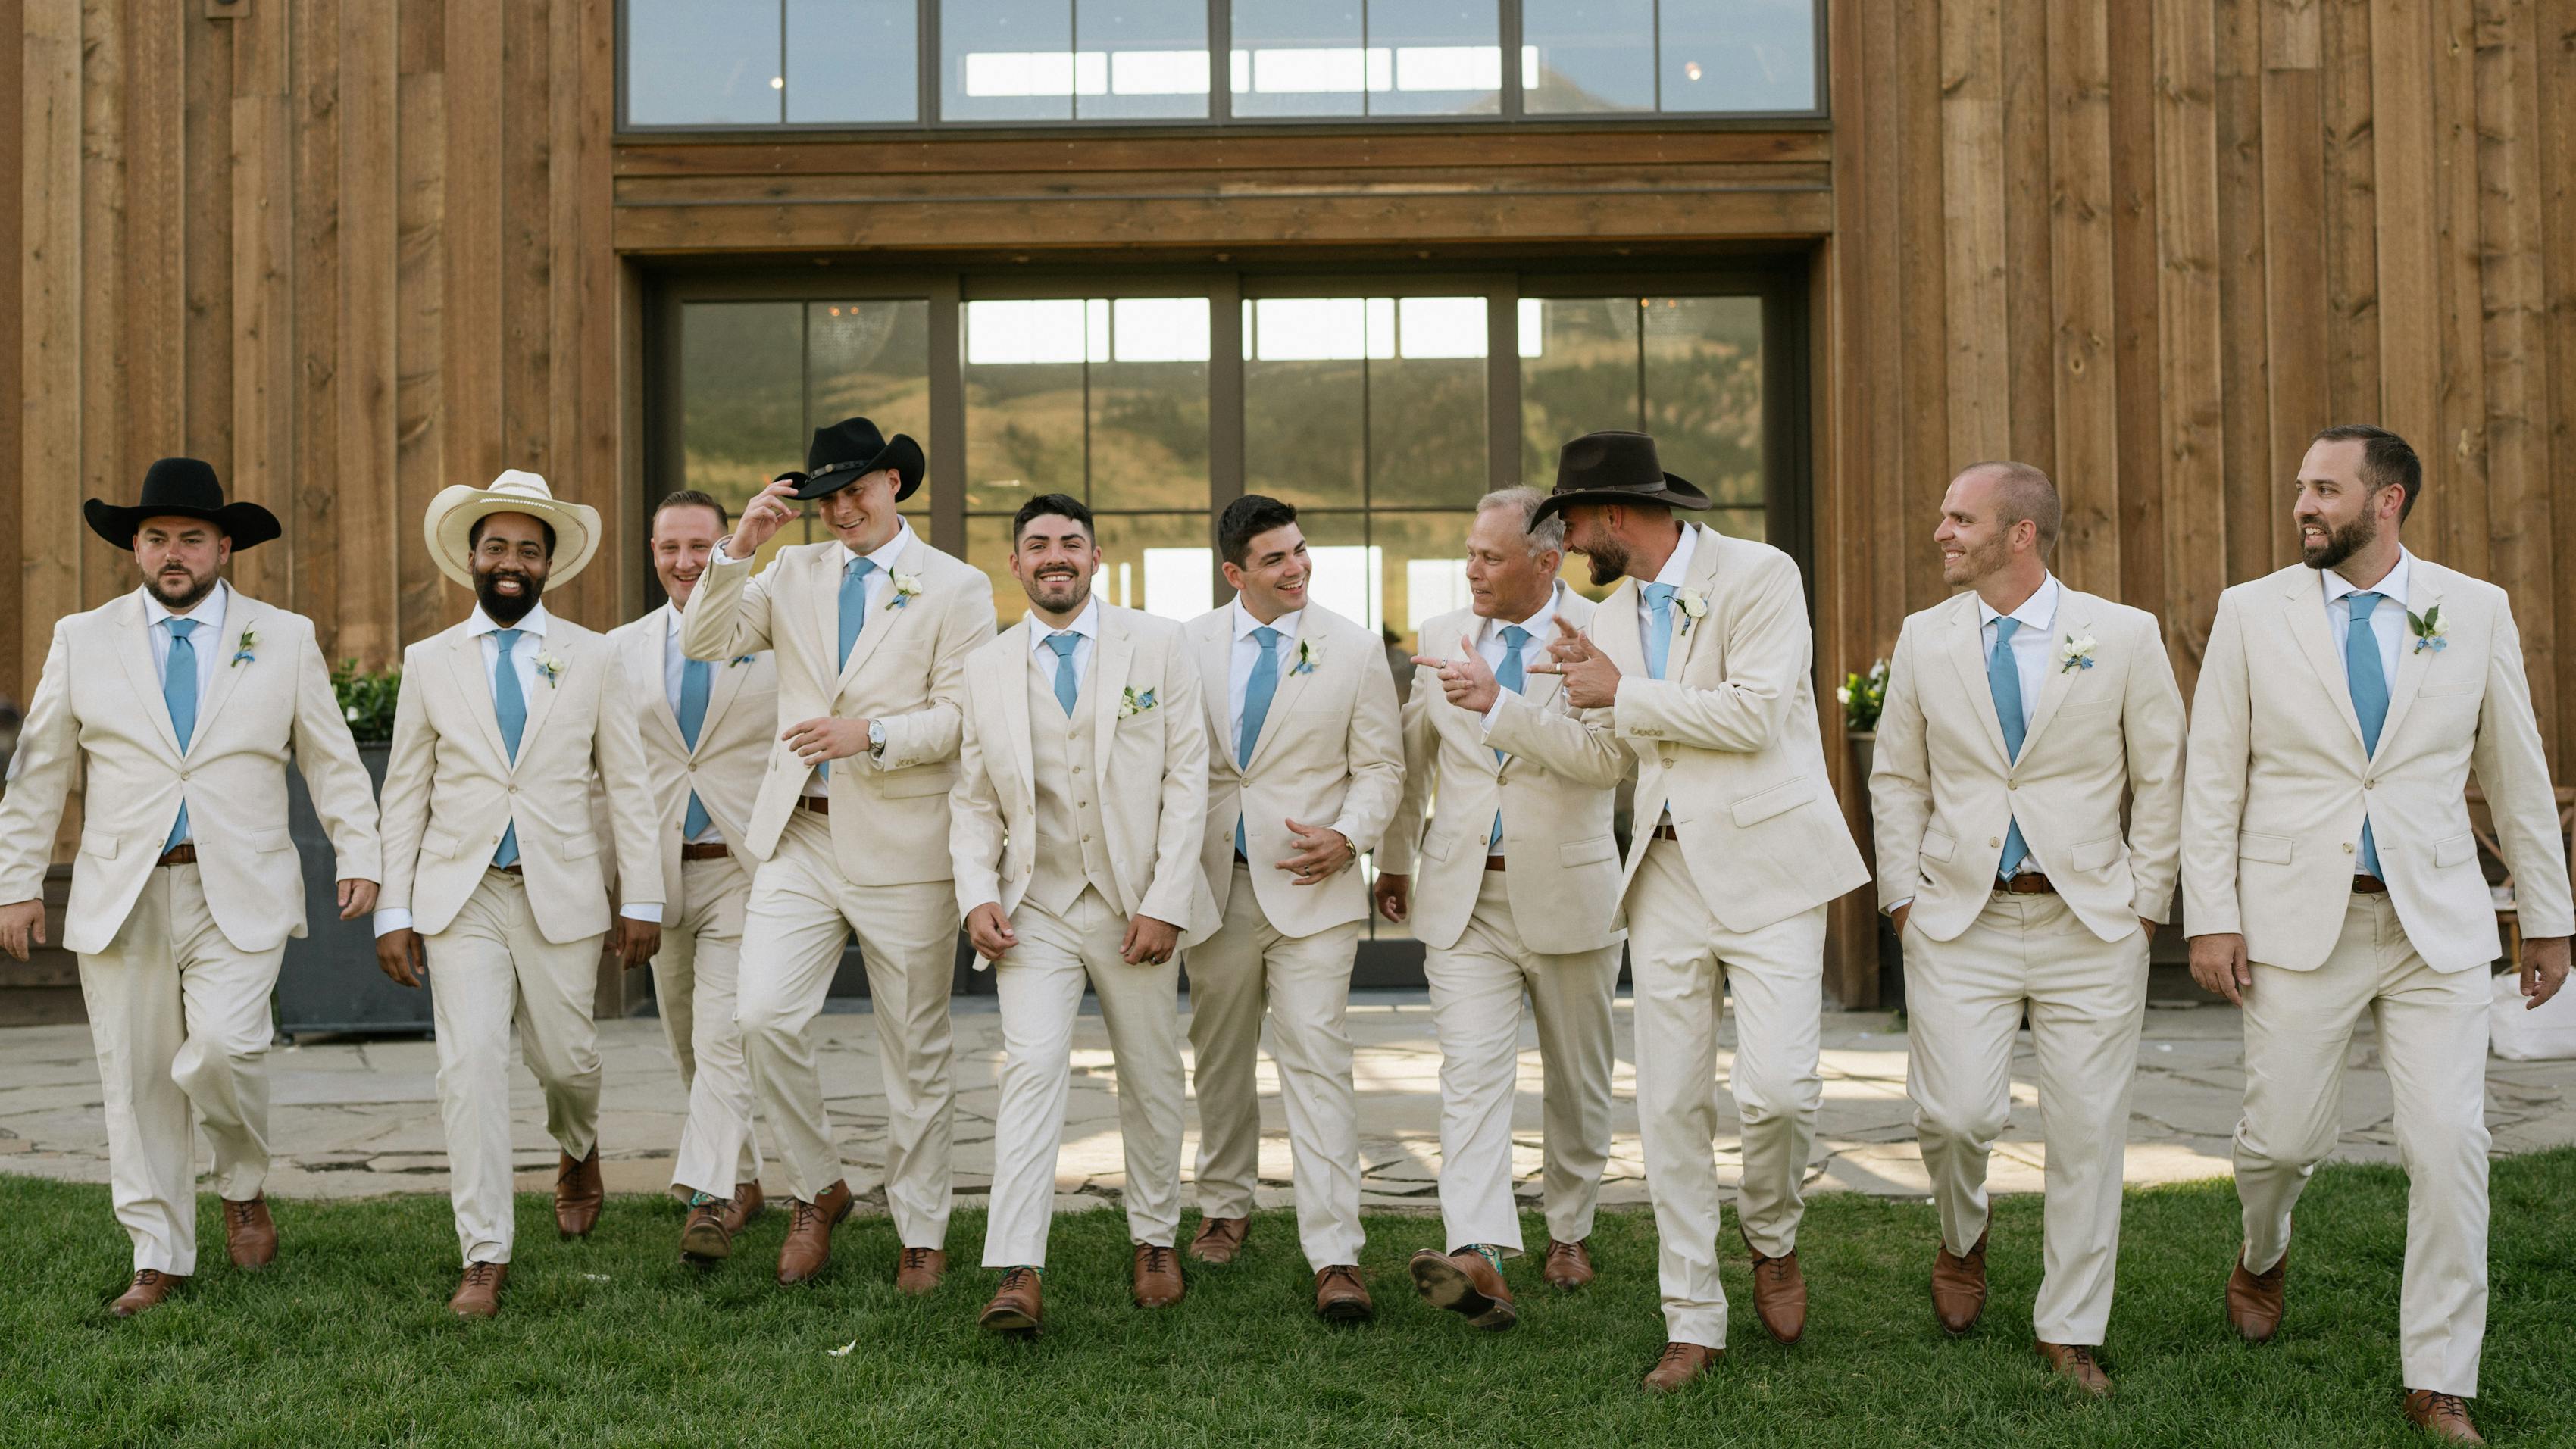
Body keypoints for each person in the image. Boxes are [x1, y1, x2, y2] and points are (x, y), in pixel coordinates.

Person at [2184, 424, 2571, 1445]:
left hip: (2435, 921)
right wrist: (2212, 913)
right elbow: (2214, 775)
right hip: (2295, 922)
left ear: (2387, 500)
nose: (2305, 506)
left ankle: (2440, 1376)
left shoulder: (2473, 611)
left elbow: (2517, 772)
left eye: (2325, 489)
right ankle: (2264, 1246)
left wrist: (2547, 915)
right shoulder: (2250, 613)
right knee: (2283, 1141)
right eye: (2302, 488)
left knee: (2451, 1142)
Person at [1508, 429, 1868, 1391]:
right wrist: (1502, 710)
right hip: (1662, 878)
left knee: (1780, 1092)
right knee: (1667, 1105)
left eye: (1576, 522)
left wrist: (1625, 691)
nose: (1571, 543)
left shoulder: (1760, 575)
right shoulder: (1607, 614)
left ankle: (1772, 1232)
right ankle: (1691, 1318)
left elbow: (1756, 714)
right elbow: (1604, 757)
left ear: (1618, 515)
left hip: (1770, 869)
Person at [0, 458, 381, 1317]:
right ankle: (158, 1254)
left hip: (236, 885)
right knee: (135, 1080)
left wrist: (361, 849)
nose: (174, 553)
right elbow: (38, 771)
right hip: (123, 890)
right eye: (158, 538)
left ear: (225, 546)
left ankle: (241, 1180)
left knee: (222, 1049)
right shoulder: (80, 636)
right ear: (135, 545)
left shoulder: (282, 637)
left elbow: (330, 755)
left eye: (192, 538)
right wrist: (15, 881)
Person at [1867, 461, 2186, 1396]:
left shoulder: (2122, 636)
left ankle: (2071, 1324)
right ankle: (1962, 1233)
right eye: (1942, 514)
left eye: (1960, 518)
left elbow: (2162, 771)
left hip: (2091, 918)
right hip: (1956, 914)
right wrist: (1903, 898)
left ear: (2021, 534)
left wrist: (2146, 905)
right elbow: (1896, 774)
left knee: (2087, 1128)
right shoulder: (1926, 637)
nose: (1941, 532)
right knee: (1955, 1114)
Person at [679, 417, 995, 1291]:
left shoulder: (957, 587)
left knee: (914, 1048)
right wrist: (741, 544)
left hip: (904, 844)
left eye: (856, 489)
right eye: (826, 497)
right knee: (761, 1019)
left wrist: (873, 732)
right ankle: (818, 1186)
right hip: (799, 835)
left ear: (894, 482)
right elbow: (705, 640)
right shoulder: (789, 569)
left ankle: (923, 1230)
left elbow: (965, 716)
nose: (841, 509)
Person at [372, 469, 664, 1319]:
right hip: (460, 894)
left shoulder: (593, 655)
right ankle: (484, 1254)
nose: (510, 561)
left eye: (527, 550)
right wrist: (395, 907)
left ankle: (577, 1143)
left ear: (548, 565)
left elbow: (631, 784)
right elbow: (404, 791)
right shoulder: (428, 661)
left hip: (562, 889)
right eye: (496, 545)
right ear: (471, 556)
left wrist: (640, 894)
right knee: (467, 1068)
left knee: (567, 1058)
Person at [949, 493, 1216, 1335]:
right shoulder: (986, 666)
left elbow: (1187, 779)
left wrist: (1166, 902)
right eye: (1036, 544)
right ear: (1017, 564)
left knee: (1150, 1071)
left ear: (1097, 559)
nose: (1053, 554)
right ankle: (1017, 1267)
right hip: (1037, 907)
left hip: (1135, 902)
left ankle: (1154, 1238)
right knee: (1030, 1070)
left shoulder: (1158, 643)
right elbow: (971, 798)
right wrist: (976, 893)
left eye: (1070, 542)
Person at [1379, 488, 1630, 1331]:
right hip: (1463, 895)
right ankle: (1479, 1252)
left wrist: (1501, 706)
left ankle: (1569, 1227)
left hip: (1570, 888)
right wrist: (1391, 856)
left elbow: (1605, 761)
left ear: (1546, 563)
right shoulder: (1444, 629)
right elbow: (1414, 756)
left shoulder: (1604, 634)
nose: (1471, 568)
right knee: (1471, 1076)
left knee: (1578, 1077)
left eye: (1489, 555)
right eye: (1470, 552)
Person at [1181, 495, 1404, 1321]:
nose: (1296, 567)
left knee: (1316, 1058)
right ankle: (1225, 1205)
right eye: (1275, 558)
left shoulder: (1351, 646)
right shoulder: (1187, 645)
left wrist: (1350, 836)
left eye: (1300, 551)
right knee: (1220, 1055)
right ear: (1235, 572)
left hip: (1315, 891)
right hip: (1214, 885)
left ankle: (1336, 1253)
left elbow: (1382, 766)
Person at [607, 489, 781, 1265]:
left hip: (745, 866)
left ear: (726, 548)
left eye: (700, 546)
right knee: (685, 1040)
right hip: (659, 876)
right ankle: (740, 1178)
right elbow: (606, 777)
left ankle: (708, 1199)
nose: (685, 562)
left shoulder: (772, 638)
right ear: (652, 553)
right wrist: (623, 887)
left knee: (722, 1033)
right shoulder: (618, 650)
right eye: (669, 547)